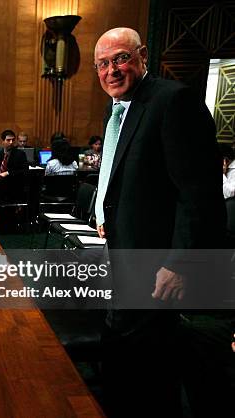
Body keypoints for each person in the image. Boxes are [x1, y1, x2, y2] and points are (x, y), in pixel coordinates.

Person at [92, 27, 226, 417]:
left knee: (151, 366)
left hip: (157, 265)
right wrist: (103, 216)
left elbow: (198, 194)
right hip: (123, 252)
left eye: (120, 59)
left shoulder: (174, 101)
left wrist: (179, 264)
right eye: (103, 64)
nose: (111, 71)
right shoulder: (118, 106)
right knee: (123, 353)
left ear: (143, 55)